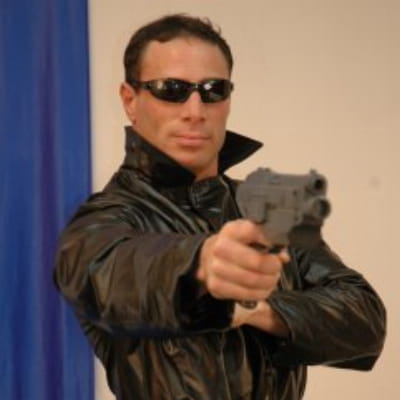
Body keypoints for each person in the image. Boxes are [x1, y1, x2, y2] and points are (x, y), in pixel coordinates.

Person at [54, 14, 386, 400]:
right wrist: (200, 266)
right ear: (130, 100)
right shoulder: (101, 222)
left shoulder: (268, 210)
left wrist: (258, 309)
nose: (195, 110)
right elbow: (107, 273)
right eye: (171, 89)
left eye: (213, 90)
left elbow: (365, 320)